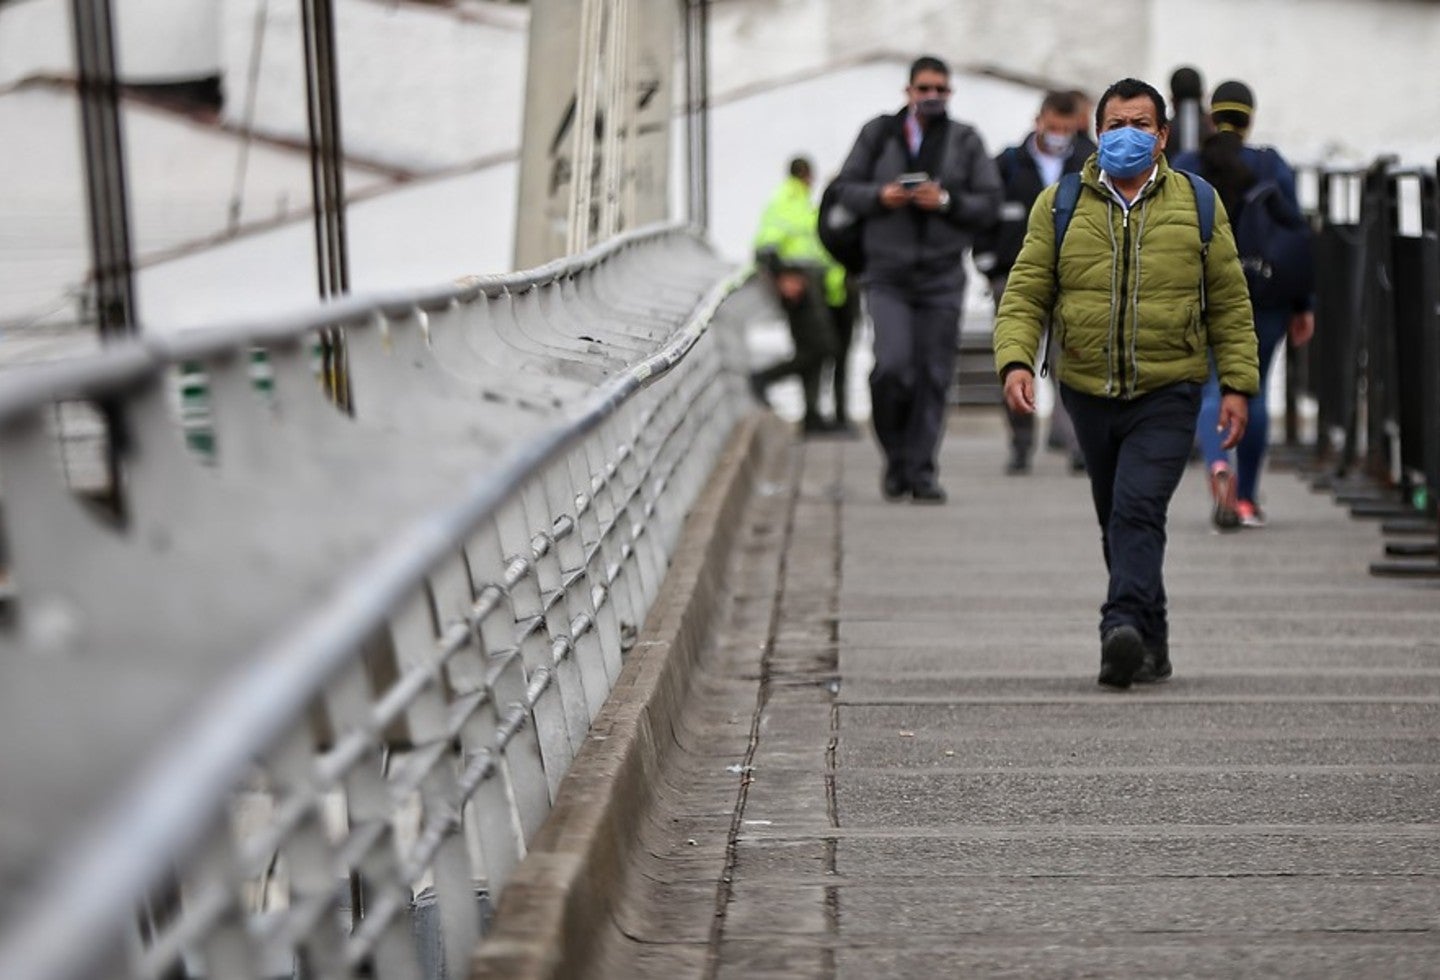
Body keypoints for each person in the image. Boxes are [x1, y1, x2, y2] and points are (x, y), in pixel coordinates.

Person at [993, 77, 1259, 689]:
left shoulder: (1197, 202)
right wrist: (1014, 361)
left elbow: (1229, 300)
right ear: (1097, 133)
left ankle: (1118, 627)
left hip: (1170, 388)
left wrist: (1238, 384)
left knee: (1138, 508)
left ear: (1164, 136)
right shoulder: (1060, 204)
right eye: (1116, 125)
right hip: (1087, 387)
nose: (1128, 136)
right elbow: (1027, 290)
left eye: (1142, 125)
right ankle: (1152, 639)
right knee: (1117, 515)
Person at [830, 55, 1003, 502]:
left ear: (949, 94)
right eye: (923, 88)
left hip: (942, 275)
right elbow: (843, 187)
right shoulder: (878, 133)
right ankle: (896, 456)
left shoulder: (965, 140)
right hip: (886, 272)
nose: (931, 96)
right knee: (892, 366)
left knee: (933, 374)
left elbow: (989, 202)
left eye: (940, 90)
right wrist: (881, 196)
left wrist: (944, 200)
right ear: (908, 91)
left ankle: (922, 469)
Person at [1172, 80, 1315, 529]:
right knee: (1250, 391)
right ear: (1250, 119)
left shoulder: (1188, 164)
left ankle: (1217, 463)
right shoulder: (1272, 166)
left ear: (1213, 117)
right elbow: (1296, 235)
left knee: (1213, 385)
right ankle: (1249, 498)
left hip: (1201, 294)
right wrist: (1303, 303)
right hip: (1264, 296)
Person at [974, 90, 1088, 474]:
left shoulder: (1088, 160)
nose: (1058, 135)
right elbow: (985, 212)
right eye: (1052, 126)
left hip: (1072, 280)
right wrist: (988, 265)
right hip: (1014, 277)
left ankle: (1077, 445)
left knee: (1069, 365)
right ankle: (1021, 443)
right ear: (1038, 120)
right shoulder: (1008, 163)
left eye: (1065, 128)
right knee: (1016, 360)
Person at [749, 156, 847, 435]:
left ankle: (812, 416)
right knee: (822, 346)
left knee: (812, 349)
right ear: (806, 175)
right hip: (797, 284)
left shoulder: (801, 200)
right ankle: (764, 377)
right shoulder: (787, 199)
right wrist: (783, 277)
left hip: (810, 283)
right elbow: (765, 247)